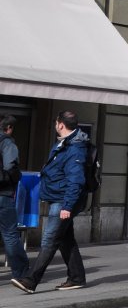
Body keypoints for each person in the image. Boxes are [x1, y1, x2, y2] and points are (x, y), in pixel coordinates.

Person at [11, 111, 89, 293]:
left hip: (62, 201)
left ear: (60, 124)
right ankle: (77, 277)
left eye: (56, 122)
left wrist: (67, 206)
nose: (55, 124)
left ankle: (31, 281)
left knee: (50, 239)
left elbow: (76, 180)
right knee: (65, 240)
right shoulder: (65, 143)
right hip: (58, 197)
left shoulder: (74, 148)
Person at [0, 114, 29, 279]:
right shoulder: (7, 142)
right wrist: (15, 177)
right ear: (9, 128)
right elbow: (10, 165)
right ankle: (21, 272)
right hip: (3, 194)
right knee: (10, 234)